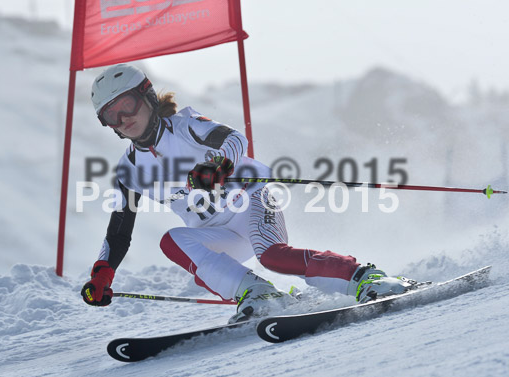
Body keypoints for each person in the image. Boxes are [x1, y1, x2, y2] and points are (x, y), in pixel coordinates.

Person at [80, 64, 413, 322]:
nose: (124, 119)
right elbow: (119, 230)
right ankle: (259, 294)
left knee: (274, 257)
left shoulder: (185, 125)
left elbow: (235, 139)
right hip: (217, 232)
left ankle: (365, 277)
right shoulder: (130, 171)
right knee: (171, 241)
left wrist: (220, 166)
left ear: (148, 97)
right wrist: (102, 272)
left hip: (253, 198)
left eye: (127, 105)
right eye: (112, 114)